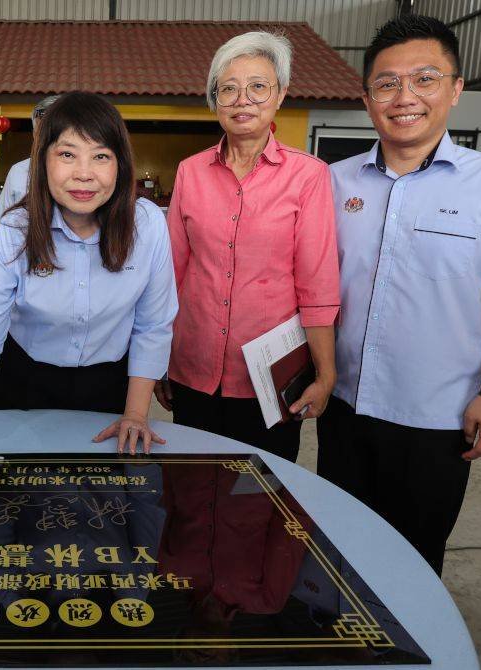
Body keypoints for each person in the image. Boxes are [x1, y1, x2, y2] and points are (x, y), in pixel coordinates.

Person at [317, 15, 481, 575]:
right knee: (336, 550)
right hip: (345, 408)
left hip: (438, 418)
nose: (404, 96)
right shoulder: (335, 182)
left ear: (455, 89)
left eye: (424, 79)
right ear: (367, 97)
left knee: (413, 560)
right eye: (387, 83)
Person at [0, 92, 178, 498]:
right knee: (21, 498)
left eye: (100, 156)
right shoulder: (14, 232)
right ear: (42, 161)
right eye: (67, 155)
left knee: (100, 505)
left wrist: (136, 413)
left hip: (109, 383)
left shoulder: (148, 226)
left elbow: (153, 325)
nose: (84, 174)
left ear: (121, 164)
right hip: (23, 381)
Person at [155, 32, 340, 463]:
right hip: (192, 368)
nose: (243, 99)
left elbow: (317, 286)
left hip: (271, 378)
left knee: (258, 495)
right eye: (229, 88)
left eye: (258, 86)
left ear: (280, 96)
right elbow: (169, 276)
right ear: (214, 100)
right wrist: (158, 359)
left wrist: (325, 372)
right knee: (193, 486)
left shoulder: (308, 176)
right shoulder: (190, 172)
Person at [0, 95, 60, 220]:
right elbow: (2, 221)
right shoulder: (18, 171)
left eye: (57, 132)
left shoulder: (84, 175)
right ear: (35, 134)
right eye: (42, 132)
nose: (49, 138)